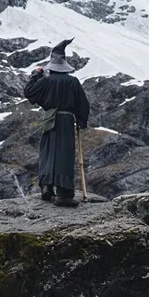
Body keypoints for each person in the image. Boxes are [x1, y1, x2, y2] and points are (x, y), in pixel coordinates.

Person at [24, 38, 90, 206]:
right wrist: (81, 121)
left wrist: (36, 74)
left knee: (48, 152)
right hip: (67, 121)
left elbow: (29, 92)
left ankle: (47, 186)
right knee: (64, 154)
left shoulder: (46, 81)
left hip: (49, 119)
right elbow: (82, 103)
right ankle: (63, 193)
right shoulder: (72, 82)